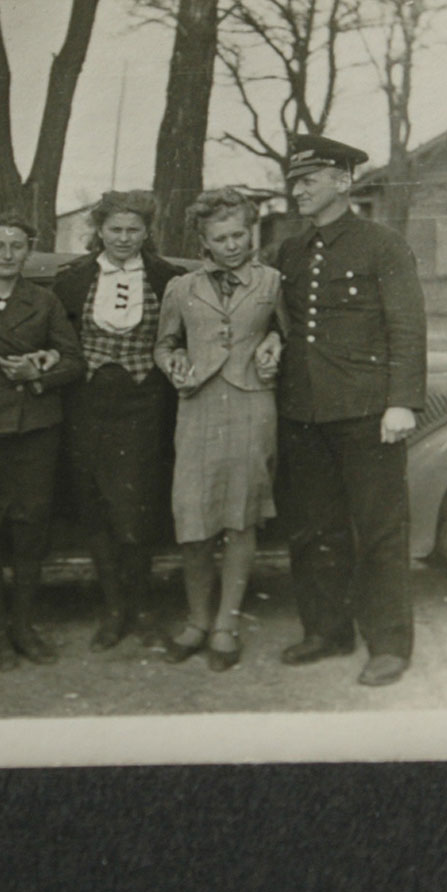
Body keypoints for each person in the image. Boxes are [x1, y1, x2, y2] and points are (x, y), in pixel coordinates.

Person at [270, 135, 428, 688]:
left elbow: (406, 326)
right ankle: (327, 631)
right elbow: (278, 321)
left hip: (366, 412)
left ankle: (389, 644)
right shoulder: (289, 251)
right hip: (303, 412)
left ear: (343, 181)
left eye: (308, 180)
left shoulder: (382, 246)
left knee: (380, 530)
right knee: (315, 529)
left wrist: (401, 402)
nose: (298, 190)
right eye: (294, 181)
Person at [154, 188, 284, 671]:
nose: (231, 245)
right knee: (194, 518)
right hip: (199, 407)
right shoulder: (181, 288)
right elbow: (163, 345)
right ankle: (197, 620)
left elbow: (286, 331)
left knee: (241, 516)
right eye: (220, 238)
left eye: (238, 235)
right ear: (203, 242)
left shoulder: (272, 281)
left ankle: (227, 623)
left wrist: (274, 341)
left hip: (252, 406)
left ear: (250, 231)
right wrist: (175, 364)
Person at [54, 190, 186, 650]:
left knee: (136, 510)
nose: (124, 238)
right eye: (115, 230)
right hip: (87, 404)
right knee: (97, 510)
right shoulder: (72, 280)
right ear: (100, 231)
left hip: (144, 404)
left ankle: (144, 608)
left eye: (133, 230)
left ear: (147, 232)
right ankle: (113, 610)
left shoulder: (168, 278)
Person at [0, 215, 85, 671]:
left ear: (28, 252)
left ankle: (24, 626)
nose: (8, 255)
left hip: (35, 429)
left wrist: (39, 374)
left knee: (31, 528)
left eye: (17, 246)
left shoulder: (43, 301)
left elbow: (74, 361)